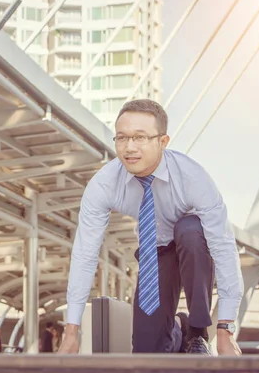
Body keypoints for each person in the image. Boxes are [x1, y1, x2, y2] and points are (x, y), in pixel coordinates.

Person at [58, 99, 244, 356]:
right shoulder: (104, 184)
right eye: (122, 138)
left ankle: (198, 331)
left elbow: (223, 247)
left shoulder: (192, 178)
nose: (129, 148)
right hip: (156, 252)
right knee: (148, 351)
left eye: (140, 138)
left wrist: (225, 329)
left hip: (193, 245)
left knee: (190, 230)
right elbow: (85, 254)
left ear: (163, 142)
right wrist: (71, 330)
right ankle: (180, 327)